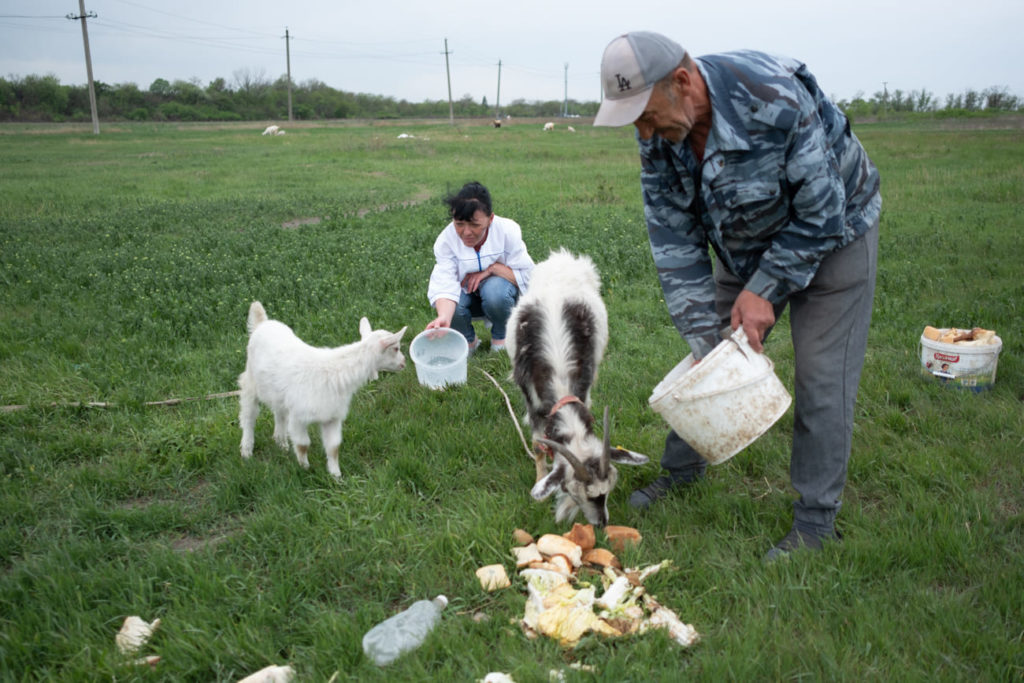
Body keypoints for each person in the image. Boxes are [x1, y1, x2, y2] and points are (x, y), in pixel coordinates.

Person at [594, 32, 881, 560]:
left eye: (645, 113)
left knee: (821, 378)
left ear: (682, 82)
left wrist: (765, 291)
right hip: (745, 245)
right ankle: (683, 472)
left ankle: (816, 524)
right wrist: (707, 335)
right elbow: (674, 241)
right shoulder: (658, 134)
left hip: (837, 235)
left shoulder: (773, 97)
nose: (642, 129)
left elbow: (823, 214)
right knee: (713, 354)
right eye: (632, 118)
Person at [425, 182, 534, 352]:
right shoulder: (446, 241)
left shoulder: (507, 231)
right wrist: (444, 317)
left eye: (475, 225)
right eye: (459, 224)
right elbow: (444, 285)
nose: (466, 232)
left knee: (495, 290)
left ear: (490, 219)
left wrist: (492, 269)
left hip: (499, 296)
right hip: (467, 295)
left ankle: (502, 336)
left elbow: (529, 276)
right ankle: (468, 341)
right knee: (454, 300)